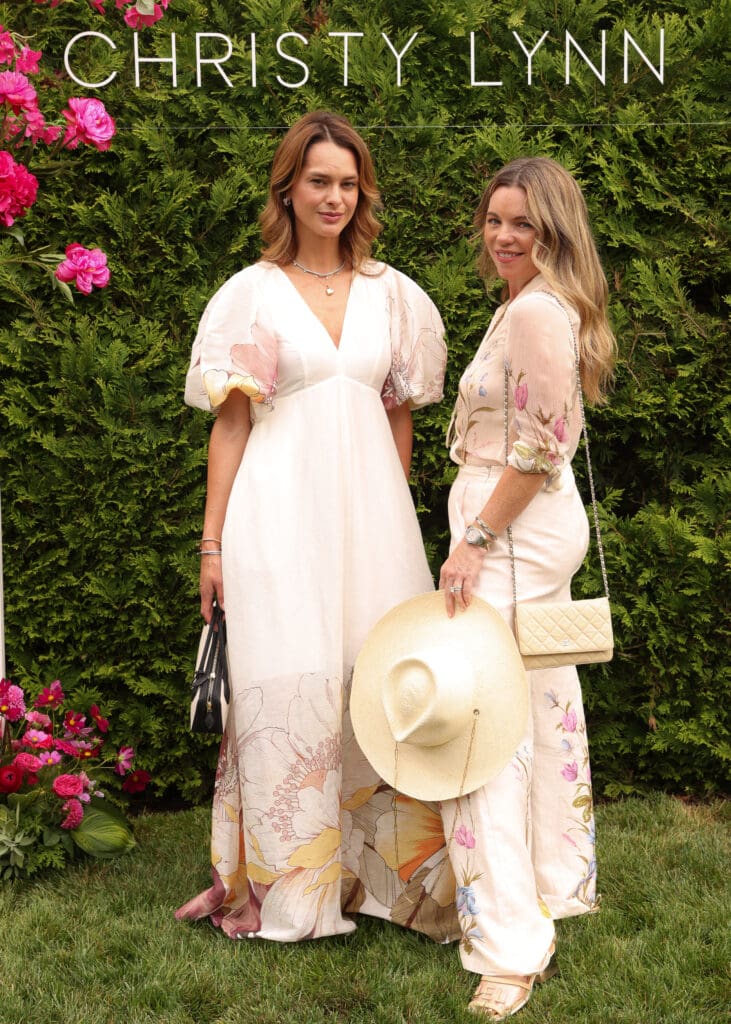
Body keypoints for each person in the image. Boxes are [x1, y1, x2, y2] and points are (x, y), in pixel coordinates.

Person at [176, 111, 460, 944]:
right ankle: (289, 889)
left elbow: (398, 416)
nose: (333, 196)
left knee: (378, 686)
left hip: (371, 520)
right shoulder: (250, 293)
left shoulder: (394, 295)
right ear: (288, 190)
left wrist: (387, 507)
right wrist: (212, 542)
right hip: (274, 518)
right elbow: (228, 426)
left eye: (347, 182)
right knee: (286, 683)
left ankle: (383, 883)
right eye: (317, 181)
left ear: (359, 191)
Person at [438, 157, 616, 1019]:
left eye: (524, 225)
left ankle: (508, 945)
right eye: (495, 220)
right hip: (513, 527)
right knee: (534, 711)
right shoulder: (524, 305)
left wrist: (473, 538)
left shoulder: (539, 310)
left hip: (509, 533)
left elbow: (542, 448)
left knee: (485, 728)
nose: (505, 237)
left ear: (554, 232)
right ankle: (539, 890)